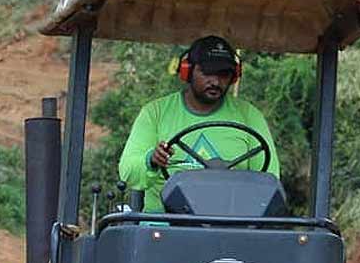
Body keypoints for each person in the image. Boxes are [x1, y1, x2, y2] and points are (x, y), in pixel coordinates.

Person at [118, 35, 280, 213]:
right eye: (207, 72)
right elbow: (128, 172)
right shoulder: (155, 113)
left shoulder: (250, 116)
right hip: (163, 226)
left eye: (223, 74)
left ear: (234, 77)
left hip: (231, 227)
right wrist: (152, 160)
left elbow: (269, 182)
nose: (215, 81)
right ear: (187, 71)